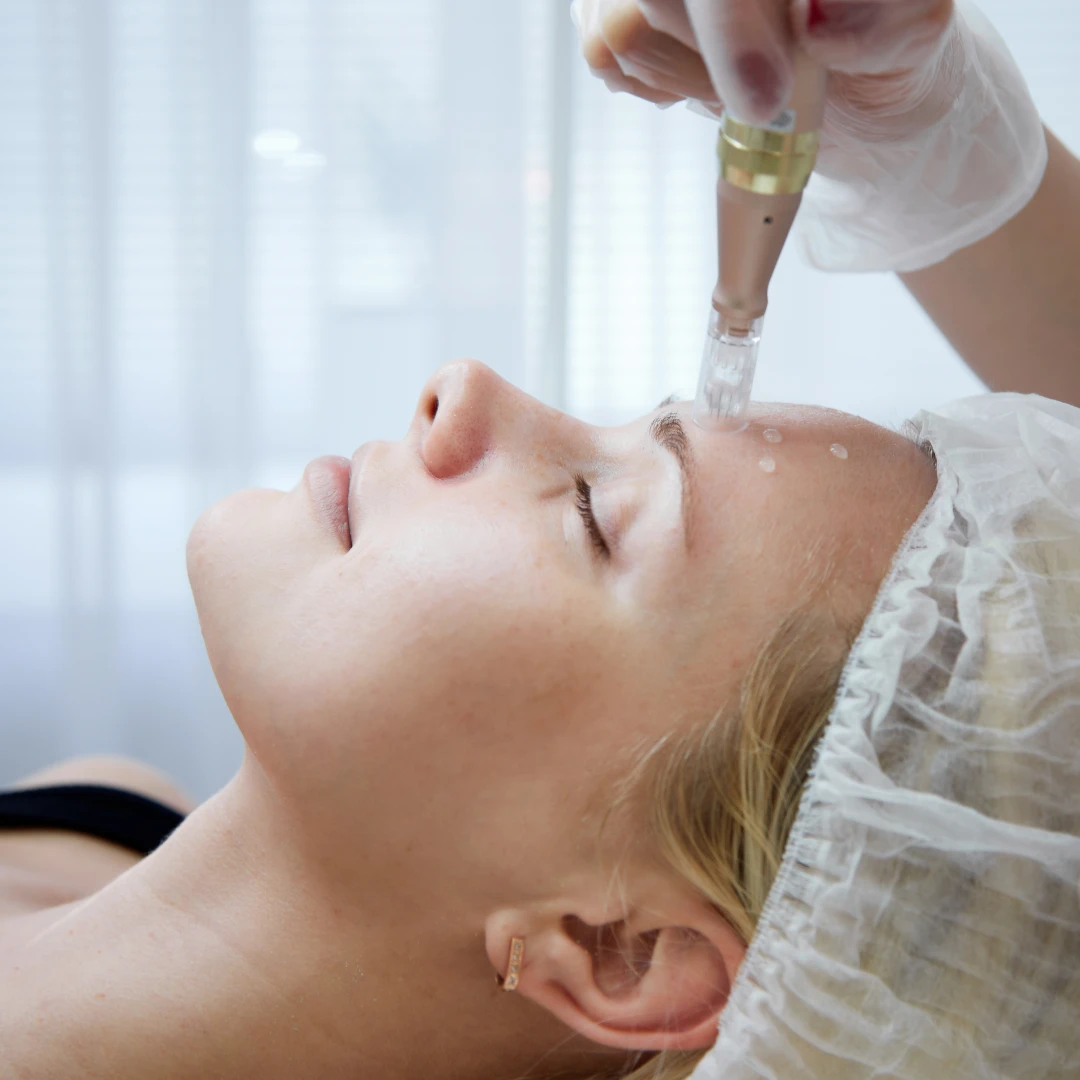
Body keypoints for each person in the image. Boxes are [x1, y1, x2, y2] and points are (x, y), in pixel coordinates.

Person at [1, 4, 1078, 1080]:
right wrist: (931, 134)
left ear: (623, 951)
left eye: (591, 515)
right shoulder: (96, 812)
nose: (463, 388)